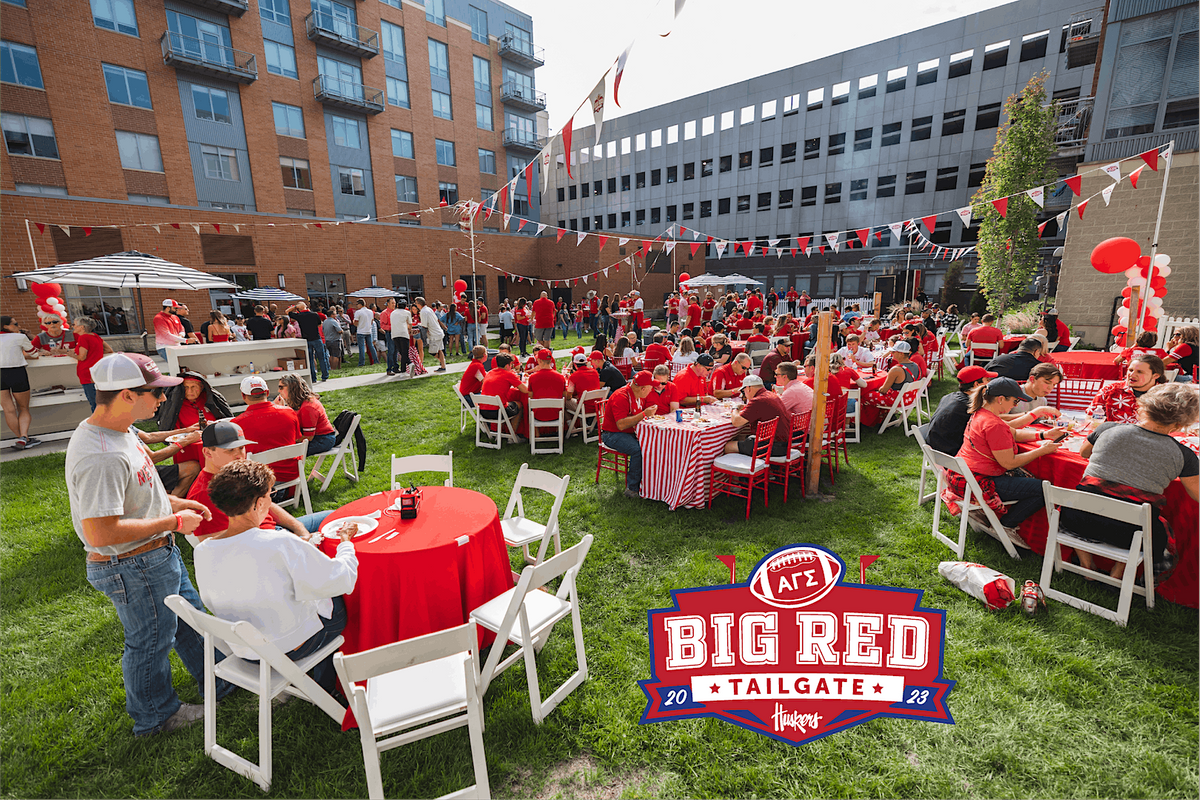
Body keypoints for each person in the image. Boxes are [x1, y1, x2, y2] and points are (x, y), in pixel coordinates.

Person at [66, 352, 233, 736]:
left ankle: (222, 681)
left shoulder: (121, 431)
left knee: (191, 621)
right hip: (132, 565)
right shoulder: (100, 455)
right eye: (155, 392)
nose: (162, 399)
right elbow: (101, 533)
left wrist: (176, 503)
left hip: (155, 554)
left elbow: (139, 493)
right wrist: (174, 522)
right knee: (150, 642)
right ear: (126, 395)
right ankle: (156, 717)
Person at [195, 458, 356, 696]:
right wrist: (345, 544)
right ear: (259, 503)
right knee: (343, 603)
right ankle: (326, 686)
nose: (271, 501)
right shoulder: (278, 542)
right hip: (289, 647)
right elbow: (341, 578)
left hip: (246, 650)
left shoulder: (202, 551)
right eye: (271, 495)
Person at [1064, 383, 1199, 579]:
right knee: (1143, 518)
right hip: (1129, 533)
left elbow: (1084, 452)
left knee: (1091, 495)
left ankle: (1087, 565)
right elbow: (1196, 494)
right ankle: (1118, 573)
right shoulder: (1184, 455)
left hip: (1076, 519)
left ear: (1143, 408)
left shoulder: (1108, 428)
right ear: (1180, 425)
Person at [953, 377, 1066, 533]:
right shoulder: (993, 424)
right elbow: (1009, 463)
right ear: (1000, 399)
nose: (1016, 405)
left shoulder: (981, 413)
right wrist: (1041, 450)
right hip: (978, 483)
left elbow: (1014, 433)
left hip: (964, 477)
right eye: (1015, 401)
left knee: (1030, 480)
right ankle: (1006, 525)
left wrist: (1043, 435)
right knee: (1045, 489)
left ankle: (1002, 520)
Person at [187, 420, 334, 540]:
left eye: (241, 448)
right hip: (266, 544)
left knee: (334, 517)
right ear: (207, 453)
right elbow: (221, 548)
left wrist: (300, 530)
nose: (239, 456)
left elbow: (268, 505)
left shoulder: (237, 473)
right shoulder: (203, 495)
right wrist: (295, 542)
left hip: (276, 532)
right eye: (230, 450)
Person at [232, 376, 302, 499]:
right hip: (292, 476)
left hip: (259, 481)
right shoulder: (289, 412)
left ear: (243, 396)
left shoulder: (237, 424)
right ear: (267, 392)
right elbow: (297, 438)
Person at [600, 370, 656, 498]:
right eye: (651, 387)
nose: (652, 390)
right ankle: (632, 489)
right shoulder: (621, 396)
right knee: (637, 450)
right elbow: (621, 424)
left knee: (652, 444)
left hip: (627, 431)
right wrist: (644, 414)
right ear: (642, 389)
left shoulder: (635, 394)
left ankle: (649, 483)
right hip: (612, 434)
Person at [926, 366, 998, 455]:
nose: (989, 383)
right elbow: (992, 424)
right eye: (987, 380)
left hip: (936, 447)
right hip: (951, 454)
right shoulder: (970, 407)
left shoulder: (949, 396)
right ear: (977, 384)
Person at [1086, 353, 1167, 424]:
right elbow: (1090, 417)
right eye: (1130, 370)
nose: (1132, 374)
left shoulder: (1164, 396)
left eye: (1140, 372)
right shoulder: (1110, 390)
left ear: (1155, 375)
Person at [723, 374, 790, 457]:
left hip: (772, 446)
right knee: (741, 436)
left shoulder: (758, 400)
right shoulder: (771, 395)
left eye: (743, 391)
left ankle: (744, 464)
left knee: (728, 446)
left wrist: (735, 408)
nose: (744, 395)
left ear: (748, 388)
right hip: (783, 444)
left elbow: (736, 422)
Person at [1, 315, 41, 450]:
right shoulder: (19, 337)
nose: (18, 326)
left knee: (8, 410)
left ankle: (22, 439)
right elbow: (34, 353)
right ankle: (24, 436)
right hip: (16, 371)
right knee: (23, 408)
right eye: (15, 324)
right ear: (5, 326)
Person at [276, 374, 337, 456]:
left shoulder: (308, 407)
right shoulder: (298, 402)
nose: (278, 391)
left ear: (292, 388)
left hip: (322, 439)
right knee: (280, 448)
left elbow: (308, 437)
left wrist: (289, 441)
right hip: (315, 437)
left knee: (286, 453)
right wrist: (281, 408)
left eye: (281, 387)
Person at [478, 353, 529, 439]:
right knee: (519, 405)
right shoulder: (508, 375)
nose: (511, 367)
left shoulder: (489, 373)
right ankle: (511, 436)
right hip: (497, 412)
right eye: (511, 365)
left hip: (483, 411)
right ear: (507, 366)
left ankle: (498, 432)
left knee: (506, 404)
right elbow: (525, 390)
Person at [285, 302, 328, 383]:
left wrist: (295, 306)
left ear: (299, 309)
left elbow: (287, 311)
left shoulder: (299, 316)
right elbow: (319, 325)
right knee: (322, 358)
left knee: (310, 359)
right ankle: (325, 375)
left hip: (306, 339)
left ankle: (313, 378)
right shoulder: (314, 314)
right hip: (316, 338)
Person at [565, 351, 602, 419]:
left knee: (563, 401)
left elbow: (569, 396)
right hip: (597, 406)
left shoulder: (574, 376)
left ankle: (570, 423)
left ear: (575, 364)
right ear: (586, 363)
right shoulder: (595, 372)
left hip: (584, 408)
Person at [414, 297, 446, 372]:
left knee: (432, 352)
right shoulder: (429, 309)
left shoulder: (423, 311)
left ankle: (442, 363)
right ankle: (443, 366)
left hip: (434, 334)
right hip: (438, 332)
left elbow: (424, 325)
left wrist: (418, 325)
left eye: (416, 303)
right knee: (439, 350)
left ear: (418, 304)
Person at [388, 299, 414, 377]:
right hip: (404, 333)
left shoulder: (392, 313)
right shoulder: (407, 312)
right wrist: (409, 330)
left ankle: (408, 366)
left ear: (397, 305)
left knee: (401, 352)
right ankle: (406, 368)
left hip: (394, 334)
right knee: (404, 353)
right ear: (405, 306)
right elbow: (410, 324)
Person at [352, 300, 376, 366]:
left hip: (361, 331)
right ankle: (376, 360)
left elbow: (356, 323)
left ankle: (361, 363)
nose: (356, 306)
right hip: (368, 331)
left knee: (362, 348)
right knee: (371, 347)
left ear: (360, 304)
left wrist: (353, 322)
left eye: (357, 304)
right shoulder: (370, 311)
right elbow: (372, 321)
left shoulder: (358, 312)